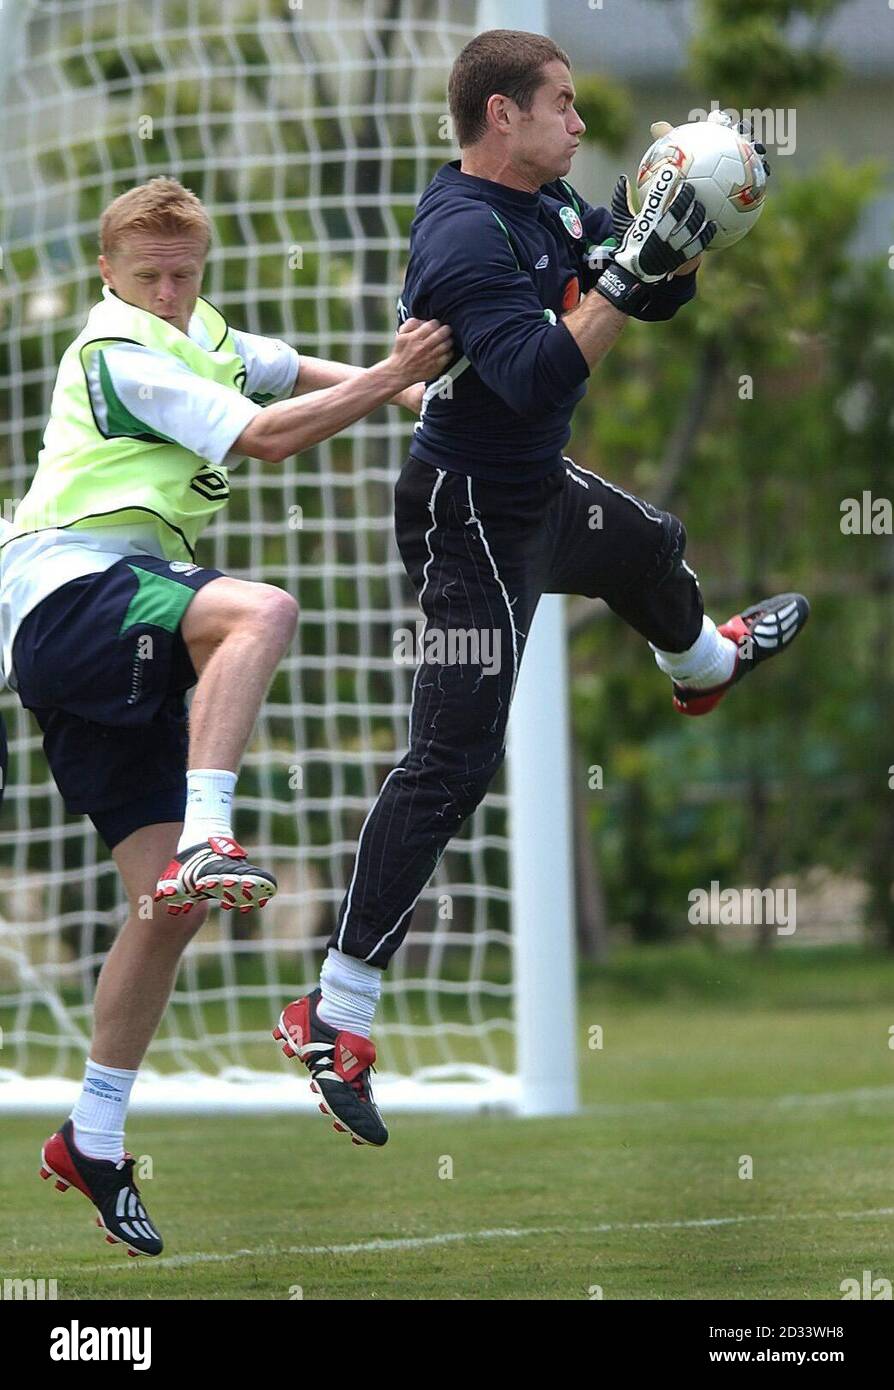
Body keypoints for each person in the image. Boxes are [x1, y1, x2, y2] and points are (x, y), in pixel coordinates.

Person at [272, 30, 808, 1148]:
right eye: (561, 104)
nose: (579, 123)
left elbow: (645, 296)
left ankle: (704, 666)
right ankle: (335, 1014)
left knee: (653, 545)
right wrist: (625, 268)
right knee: (453, 763)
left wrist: (673, 240)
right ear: (500, 116)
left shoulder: (551, 205)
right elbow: (531, 376)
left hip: (533, 496)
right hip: (467, 516)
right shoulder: (461, 231)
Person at [2, 176, 452, 1254]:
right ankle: (214, 829)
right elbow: (267, 439)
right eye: (147, 273)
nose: (166, 290)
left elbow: (288, 369)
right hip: (67, 593)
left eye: (183, 272)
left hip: (112, 625)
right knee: (262, 609)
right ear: (105, 274)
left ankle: (94, 1136)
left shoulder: (196, 330)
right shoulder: (116, 353)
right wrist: (395, 372)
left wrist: (413, 395)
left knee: (167, 905)